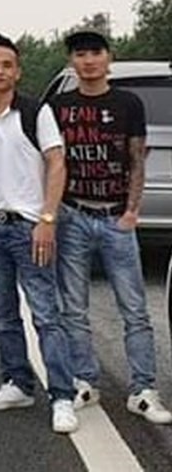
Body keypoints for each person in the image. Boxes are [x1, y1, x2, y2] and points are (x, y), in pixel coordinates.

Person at [51, 30, 172, 424]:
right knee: (73, 307)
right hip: (72, 215)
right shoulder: (59, 106)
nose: (88, 61)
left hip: (116, 217)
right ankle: (85, 381)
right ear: (72, 61)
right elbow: (50, 161)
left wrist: (132, 211)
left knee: (134, 308)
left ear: (108, 58)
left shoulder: (128, 103)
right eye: (80, 54)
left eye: (95, 53)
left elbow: (137, 159)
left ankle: (143, 390)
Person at [0, 34, 77, 434]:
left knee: (45, 314)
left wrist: (48, 219)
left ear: (18, 72)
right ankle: (17, 383)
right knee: (2, 314)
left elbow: (57, 164)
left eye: (6, 65)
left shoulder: (36, 112)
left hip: (30, 227)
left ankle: (62, 396)